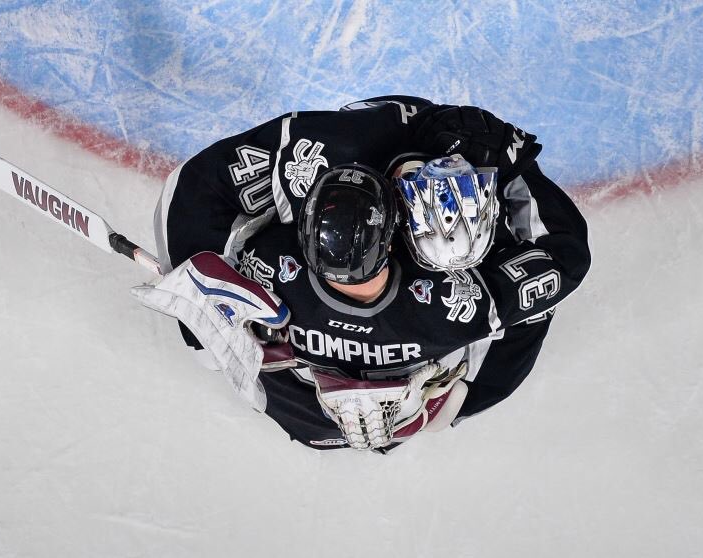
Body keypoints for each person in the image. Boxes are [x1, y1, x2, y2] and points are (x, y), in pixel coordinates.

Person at [131, 96, 591, 452]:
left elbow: (196, 190)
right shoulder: (460, 311)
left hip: (356, 153)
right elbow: (563, 260)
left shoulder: (272, 258)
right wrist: (509, 167)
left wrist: (205, 328)